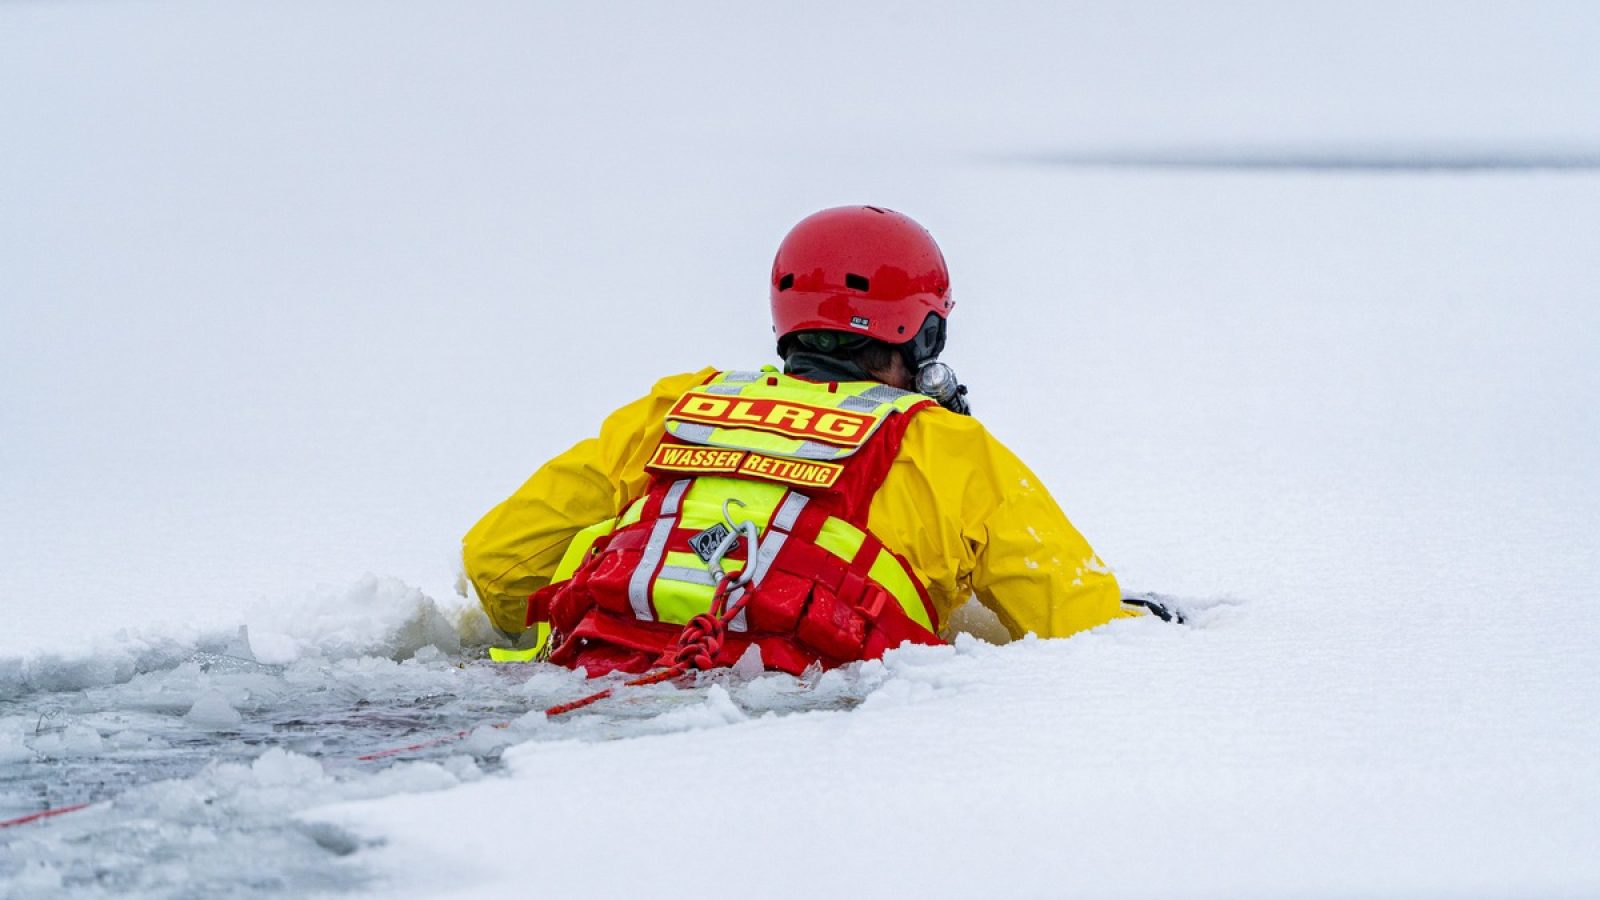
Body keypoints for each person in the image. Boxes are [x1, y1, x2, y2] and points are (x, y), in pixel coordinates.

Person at [462, 205, 1129, 677]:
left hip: (591, 676)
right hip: (798, 727)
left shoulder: (679, 406)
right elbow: (1085, 633)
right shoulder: (950, 449)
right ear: (924, 337)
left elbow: (496, 564)